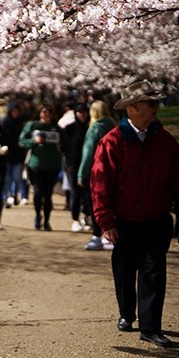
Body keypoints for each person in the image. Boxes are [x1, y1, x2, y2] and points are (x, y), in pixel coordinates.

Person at [91, 80, 179, 348]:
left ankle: (151, 327)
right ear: (132, 108)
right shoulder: (112, 142)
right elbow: (99, 184)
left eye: (156, 103)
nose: (156, 108)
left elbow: (178, 179)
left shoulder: (164, 141)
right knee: (125, 270)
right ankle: (127, 314)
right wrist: (105, 221)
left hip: (156, 218)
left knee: (154, 271)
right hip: (124, 220)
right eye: (150, 103)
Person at [79, 100, 116, 251]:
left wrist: (81, 173)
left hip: (97, 171)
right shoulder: (114, 126)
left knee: (95, 204)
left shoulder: (95, 129)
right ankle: (110, 236)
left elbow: (88, 153)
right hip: (114, 171)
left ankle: (97, 235)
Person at [19, 103, 62, 231]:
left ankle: (47, 221)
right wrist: (34, 141)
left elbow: (65, 143)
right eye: (44, 112)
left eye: (49, 112)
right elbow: (21, 141)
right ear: (39, 113)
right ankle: (38, 216)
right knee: (37, 193)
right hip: (36, 165)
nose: (47, 114)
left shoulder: (56, 127)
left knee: (48, 195)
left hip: (52, 165)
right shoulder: (32, 126)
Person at [61, 103, 90, 231]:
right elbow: (64, 148)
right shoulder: (69, 128)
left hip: (88, 165)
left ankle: (87, 216)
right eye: (79, 112)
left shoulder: (91, 127)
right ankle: (75, 219)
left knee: (88, 193)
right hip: (73, 165)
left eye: (84, 112)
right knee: (75, 192)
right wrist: (68, 163)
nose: (82, 114)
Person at [1, 101, 28, 207]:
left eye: (17, 111)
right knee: (7, 177)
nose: (15, 113)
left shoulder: (21, 123)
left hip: (18, 154)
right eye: (13, 111)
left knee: (17, 177)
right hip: (7, 154)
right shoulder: (5, 122)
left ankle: (14, 195)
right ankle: (5, 196)